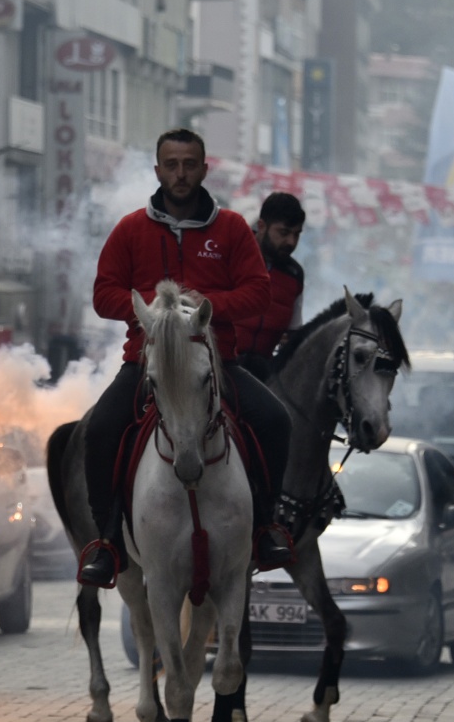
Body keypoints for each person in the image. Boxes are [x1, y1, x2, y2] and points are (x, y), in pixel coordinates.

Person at [76, 127, 292, 588]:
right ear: (158, 170)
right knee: (100, 430)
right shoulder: (131, 228)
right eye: (171, 165)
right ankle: (108, 540)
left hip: (217, 364)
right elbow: (103, 294)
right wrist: (152, 314)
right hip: (145, 364)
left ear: (203, 169)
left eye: (189, 164)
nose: (180, 173)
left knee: (276, 421)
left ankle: (267, 526)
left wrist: (202, 305)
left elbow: (259, 291)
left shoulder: (231, 228)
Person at [239, 192, 306, 377]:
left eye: (296, 234)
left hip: (262, 372)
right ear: (262, 226)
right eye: (283, 233)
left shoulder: (295, 275)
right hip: (217, 365)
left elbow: (293, 332)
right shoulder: (233, 253)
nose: (291, 242)